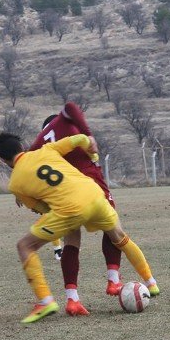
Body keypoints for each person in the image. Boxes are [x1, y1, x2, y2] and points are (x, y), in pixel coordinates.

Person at [0, 132, 160, 324]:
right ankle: (151, 283)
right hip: (95, 195)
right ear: (22, 147)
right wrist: (92, 149)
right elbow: (78, 139)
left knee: (25, 246)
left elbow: (41, 208)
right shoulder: (47, 149)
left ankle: (48, 300)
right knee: (120, 238)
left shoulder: (15, 184)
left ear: (2, 159)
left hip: (69, 209)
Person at [29, 102, 124, 317]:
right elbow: (71, 107)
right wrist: (89, 137)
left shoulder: (42, 149)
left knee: (72, 241)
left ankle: (72, 300)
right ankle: (114, 282)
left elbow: (28, 169)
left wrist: (29, 199)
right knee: (113, 228)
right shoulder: (71, 135)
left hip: (65, 196)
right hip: (90, 188)